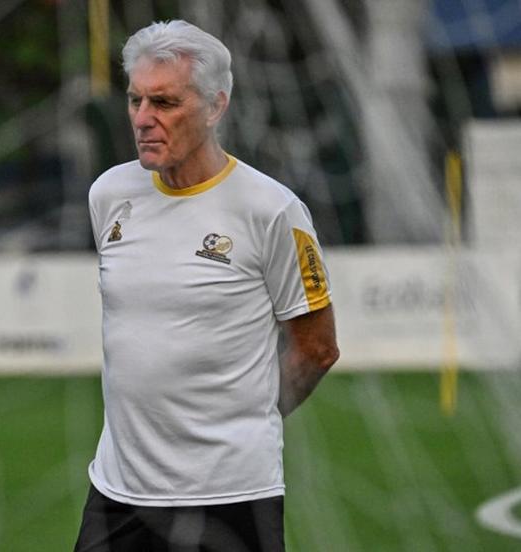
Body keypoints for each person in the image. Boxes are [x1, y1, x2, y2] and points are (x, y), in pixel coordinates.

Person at [74, 19, 339, 552]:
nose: (144, 119)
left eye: (165, 103)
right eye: (135, 100)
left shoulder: (272, 210)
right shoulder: (109, 194)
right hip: (118, 493)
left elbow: (318, 348)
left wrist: (243, 418)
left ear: (215, 106)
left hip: (232, 494)